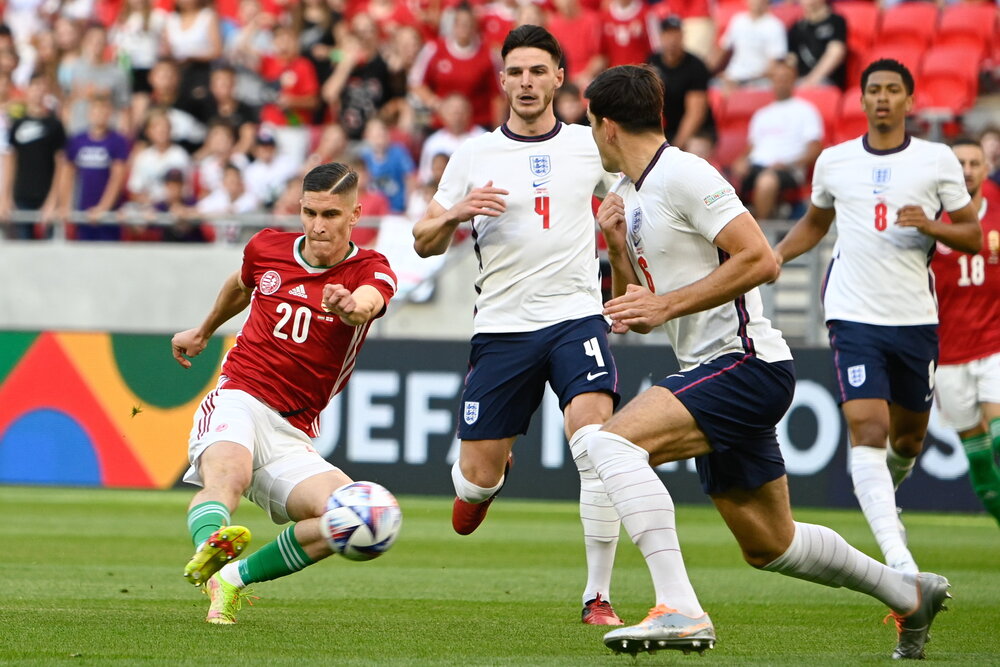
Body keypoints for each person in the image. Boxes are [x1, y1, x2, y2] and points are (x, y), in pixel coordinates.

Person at [580, 62, 952, 660]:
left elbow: (761, 259)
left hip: (746, 362)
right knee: (770, 544)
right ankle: (907, 593)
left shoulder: (684, 173)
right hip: (712, 368)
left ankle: (679, 608)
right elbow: (633, 302)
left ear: (606, 125)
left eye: (588, 121)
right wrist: (619, 249)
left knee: (609, 444)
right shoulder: (630, 194)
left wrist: (666, 303)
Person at [412, 25, 624, 626]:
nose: (527, 83)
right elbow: (423, 242)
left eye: (538, 71)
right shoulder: (474, 154)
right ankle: (490, 474)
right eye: (515, 73)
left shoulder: (592, 146)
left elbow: (634, 209)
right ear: (502, 80)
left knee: (595, 442)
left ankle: (597, 596)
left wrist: (620, 238)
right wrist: (454, 211)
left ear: (561, 78)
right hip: (503, 326)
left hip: (576, 316)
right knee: (474, 485)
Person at [773, 59, 981, 574]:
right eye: (874, 90)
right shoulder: (835, 161)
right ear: (862, 100)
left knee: (907, 439)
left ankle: (889, 502)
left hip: (914, 317)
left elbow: (973, 235)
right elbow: (816, 222)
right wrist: (776, 256)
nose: (882, 98)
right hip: (852, 312)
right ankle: (898, 557)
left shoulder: (935, 161)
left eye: (892, 90)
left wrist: (932, 226)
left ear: (910, 101)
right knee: (868, 428)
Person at [171, 161, 398, 624]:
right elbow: (241, 285)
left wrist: (350, 306)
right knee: (227, 475)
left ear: (355, 214)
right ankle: (209, 548)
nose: (317, 226)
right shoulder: (267, 248)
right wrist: (204, 329)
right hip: (240, 395)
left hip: (293, 431)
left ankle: (231, 580)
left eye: (331, 215)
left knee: (356, 521)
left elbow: (367, 305)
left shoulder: (370, 270)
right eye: (310, 212)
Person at [930, 138, 1000, 526]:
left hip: (995, 344)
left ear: (985, 169)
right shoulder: (928, 217)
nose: (968, 170)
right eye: (960, 163)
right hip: (949, 354)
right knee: (978, 461)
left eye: (975, 163)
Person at [731, 61, 823, 220]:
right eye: (778, 79)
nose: (781, 83)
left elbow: (815, 149)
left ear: (794, 80)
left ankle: (760, 234)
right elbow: (751, 147)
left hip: (788, 170)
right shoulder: (761, 114)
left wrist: (789, 164)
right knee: (722, 180)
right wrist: (740, 162)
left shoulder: (806, 110)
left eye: (786, 78)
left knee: (767, 182)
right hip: (756, 167)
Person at [645, 15, 715, 155]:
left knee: (696, 149)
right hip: (666, 128)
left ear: (682, 36)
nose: (672, 39)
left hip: (698, 131)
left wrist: (675, 148)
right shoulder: (652, 62)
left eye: (676, 34)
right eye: (668, 34)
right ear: (661, 36)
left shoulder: (696, 66)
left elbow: (695, 113)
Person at [787, 0, 847, 89]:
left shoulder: (836, 21)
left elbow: (835, 53)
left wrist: (810, 81)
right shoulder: (795, 27)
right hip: (800, 81)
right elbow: (791, 60)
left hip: (826, 81)